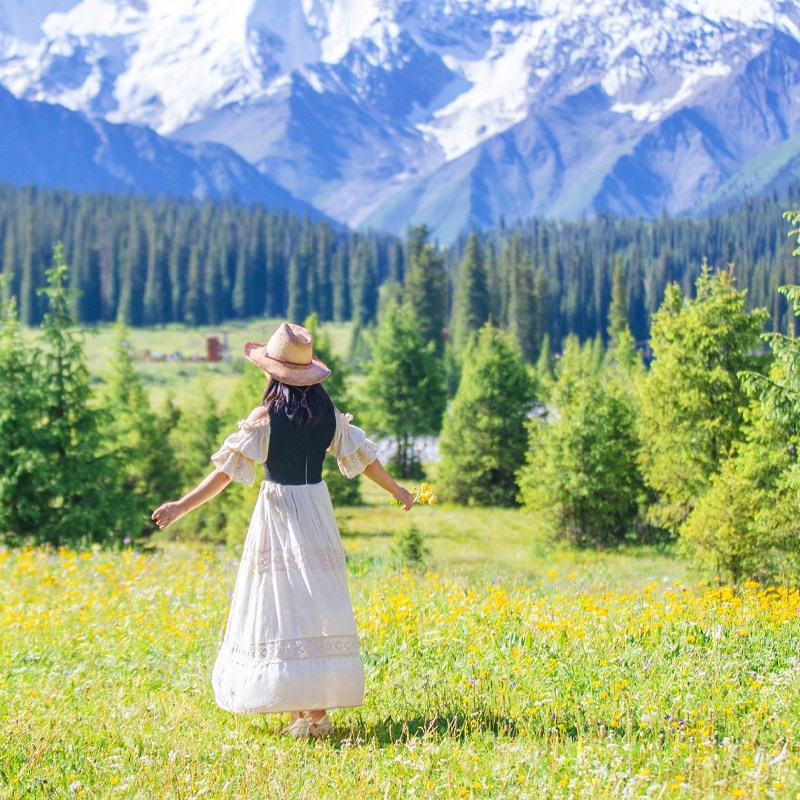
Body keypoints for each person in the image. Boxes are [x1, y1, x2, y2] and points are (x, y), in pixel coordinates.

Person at [151, 322, 413, 738]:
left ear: (273, 373)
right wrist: (398, 490)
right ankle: (316, 712)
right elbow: (364, 459)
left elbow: (226, 472)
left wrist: (182, 506)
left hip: (278, 512)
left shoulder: (267, 417)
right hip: (316, 509)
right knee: (314, 605)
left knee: (282, 606)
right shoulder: (328, 415)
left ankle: (298, 714)